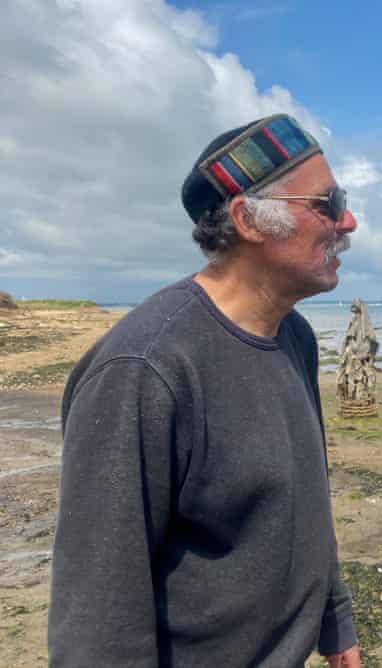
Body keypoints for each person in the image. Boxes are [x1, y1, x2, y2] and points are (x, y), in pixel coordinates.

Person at [49, 114, 362, 668]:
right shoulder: (142, 370)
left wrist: (336, 624)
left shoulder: (295, 337)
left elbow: (308, 501)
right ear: (248, 220)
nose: (349, 221)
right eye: (328, 203)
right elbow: (96, 618)